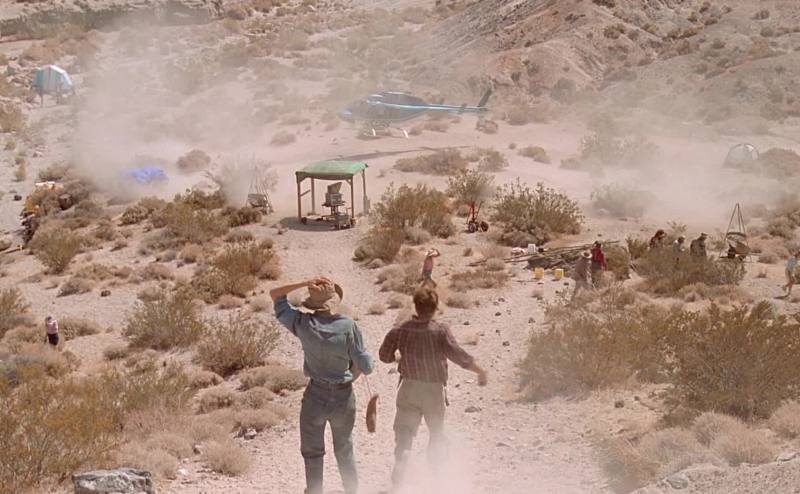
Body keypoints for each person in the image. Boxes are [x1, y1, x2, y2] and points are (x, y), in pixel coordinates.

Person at [271, 277, 374, 494]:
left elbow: (275, 295)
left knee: (312, 452)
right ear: (334, 301)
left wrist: (304, 283)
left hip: (315, 397)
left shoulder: (302, 323)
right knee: (344, 449)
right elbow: (366, 366)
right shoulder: (348, 326)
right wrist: (366, 359)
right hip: (343, 398)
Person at [379, 284, 487, 490]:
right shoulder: (440, 331)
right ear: (435, 307)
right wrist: (480, 371)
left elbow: (384, 355)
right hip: (433, 391)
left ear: (415, 306)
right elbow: (458, 355)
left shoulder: (401, 330)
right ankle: (437, 478)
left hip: (409, 388)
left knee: (404, 432)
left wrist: (398, 358)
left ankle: (401, 468)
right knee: (436, 433)